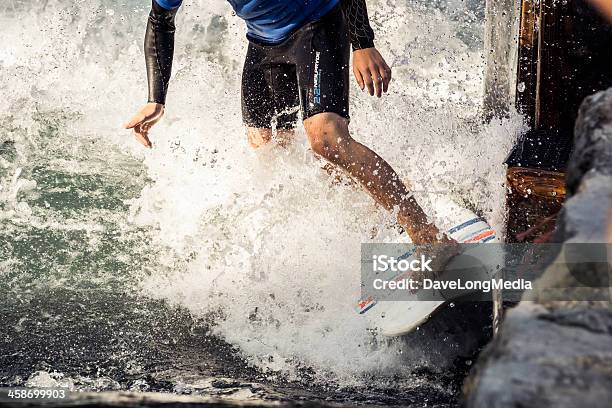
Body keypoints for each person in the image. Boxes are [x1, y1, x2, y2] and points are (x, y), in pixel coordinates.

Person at [125, 0, 453, 245]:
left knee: (325, 138)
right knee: (270, 149)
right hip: (263, 43)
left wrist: (362, 41)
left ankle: (428, 238)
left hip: (318, 25)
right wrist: (156, 100)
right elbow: (161, 21)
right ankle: (378, 199)